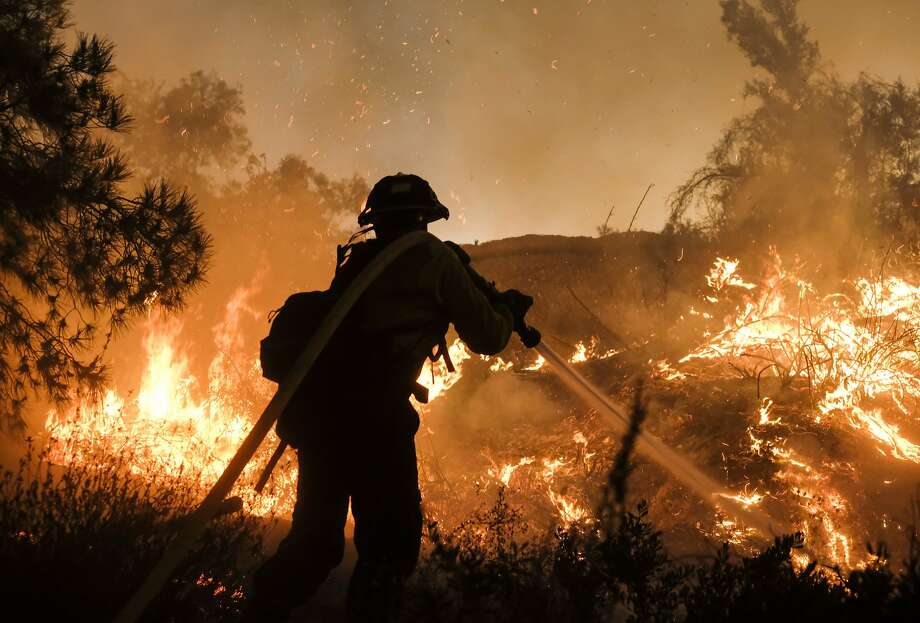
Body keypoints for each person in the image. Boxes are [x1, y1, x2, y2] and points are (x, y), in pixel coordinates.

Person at [245, 173, 534, 622]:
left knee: (314, 545)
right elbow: (488, 337)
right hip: (377, 425)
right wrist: (507, 311)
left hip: (323, 423)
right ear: (428, 217)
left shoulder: (359, 260)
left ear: (374, 221)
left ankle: (254, 613)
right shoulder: (434, 258)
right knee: (388, 553)